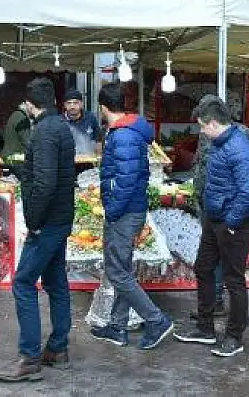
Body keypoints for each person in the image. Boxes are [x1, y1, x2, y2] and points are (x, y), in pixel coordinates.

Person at [0, 78, 75, 382]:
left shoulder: (43, 132)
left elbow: (44, 183)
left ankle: (29, 357)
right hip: (62, 217)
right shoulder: (61, 127)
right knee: (56, 282)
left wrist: (35, 223)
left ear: (30, 104)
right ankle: (58, 348)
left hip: (48, 221)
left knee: (23, 282)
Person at [89, 82, 174, 350]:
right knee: (122, 270)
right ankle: (117, 326)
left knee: (117, 272)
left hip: (124, 212)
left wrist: (112, 210)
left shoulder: (123, 135)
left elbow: (125, 181)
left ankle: (156, 319)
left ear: (103, 107)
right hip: (131, 210)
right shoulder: (128, 131)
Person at [175, 95, 249, 358]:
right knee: (203, 267)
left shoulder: (239, 147)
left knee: (234, 280)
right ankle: (205, 327)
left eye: (202, 125)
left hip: (232, 222)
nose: (201, 131)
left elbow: (248, 193)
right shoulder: (221, 144)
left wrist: (232, 222)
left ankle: (235, 336)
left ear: (212, 123)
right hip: (214, 217)